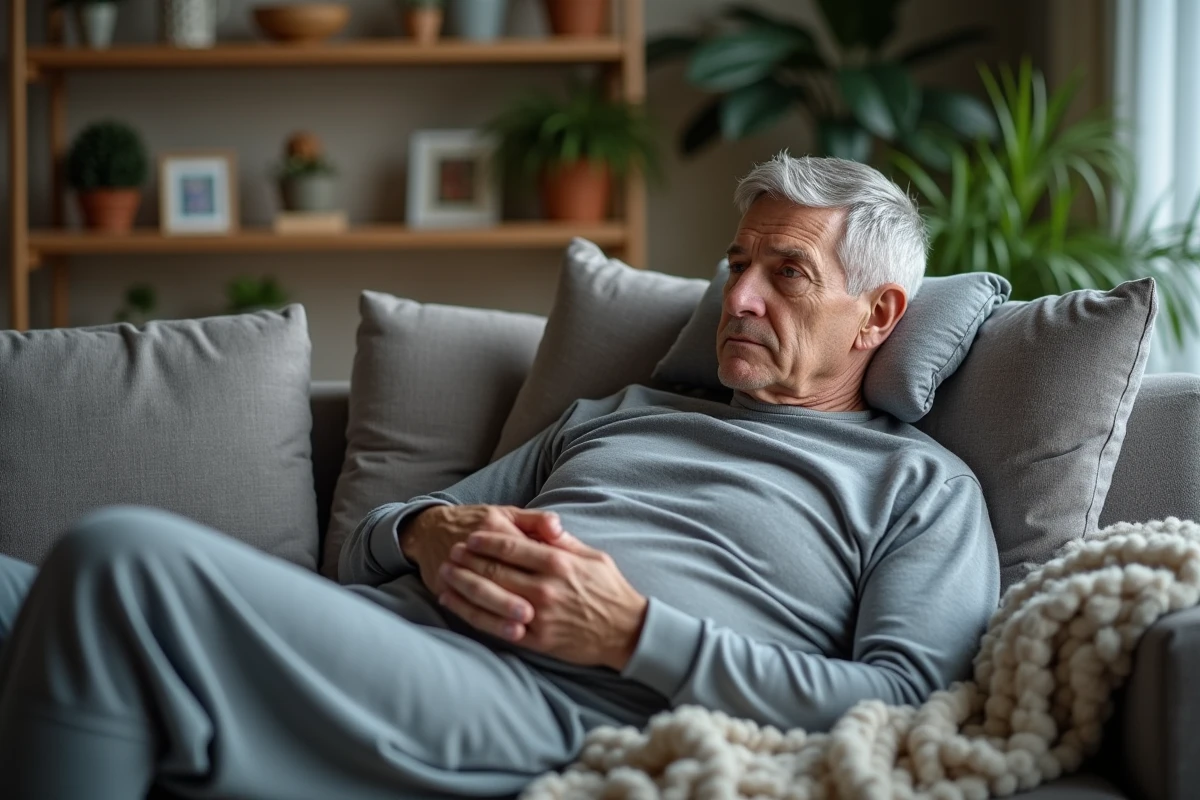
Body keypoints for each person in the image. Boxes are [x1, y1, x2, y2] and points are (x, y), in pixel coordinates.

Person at [0, 154, 1000, 800]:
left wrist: (633, 633)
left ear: (875, 317)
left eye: (787, 272)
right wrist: (426, 531)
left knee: (114, 558)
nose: (735, 296)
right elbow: (363, 543)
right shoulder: (624, 413)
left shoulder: (919, 484)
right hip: (401, 636)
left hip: (558, 703)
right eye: (735, 263)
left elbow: (905, 700)